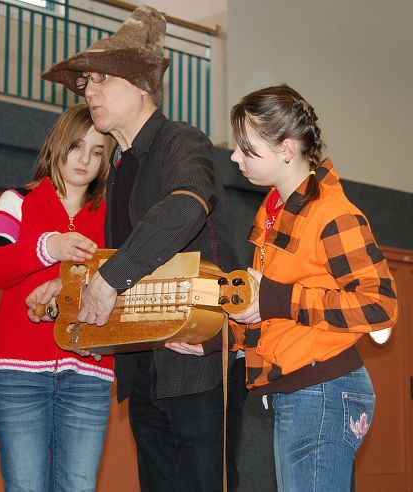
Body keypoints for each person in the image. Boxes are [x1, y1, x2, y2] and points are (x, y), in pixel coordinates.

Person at [26, 5, 245, 492]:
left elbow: (185, 208)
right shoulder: (120, 170)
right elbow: (126, 264)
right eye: (86, 83)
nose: (90, 91)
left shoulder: (182, 142)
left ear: (143, 84)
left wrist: (106, 281)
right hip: (144, 371)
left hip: (199, 362)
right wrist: (68, 291)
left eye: (102, 79)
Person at [168, 84, 398, 491]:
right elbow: (271, 313)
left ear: (287, 149)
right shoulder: (274, 213)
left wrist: (276, 297)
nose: (235, 157)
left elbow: (379, 305)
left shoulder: (332, 213)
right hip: (303, 391)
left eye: (247, 148)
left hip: (323, 390)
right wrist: (216, 338)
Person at [0, 103, 116, 492]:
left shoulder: (112, 216)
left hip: (89, 373)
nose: (85, 159)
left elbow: (122, 287)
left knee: (78, 486)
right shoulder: (16, 200)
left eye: (97, 152)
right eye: (77, 147)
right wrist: (47, 248)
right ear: (57, 145)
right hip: (18, 371)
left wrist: (74, 288)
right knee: (25, 486)